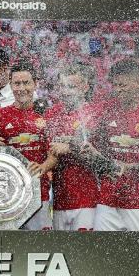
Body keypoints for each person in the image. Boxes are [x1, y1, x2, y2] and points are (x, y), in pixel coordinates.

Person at [87, 58, 139, 231]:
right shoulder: (106, 109)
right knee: (99, 254)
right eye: (115, 85)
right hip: (108, 199)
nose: (118, 90)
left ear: (138, 81)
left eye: (123, 85)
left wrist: (130, 167)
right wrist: (90, 151)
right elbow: (94, 146)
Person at [0, 62, 57, 230]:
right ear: (10, 84)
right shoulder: (0, 115)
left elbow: (54, 154)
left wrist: (43, 167)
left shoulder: (46, 115)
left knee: (40, 250)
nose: (21, 88)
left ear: (35, 84)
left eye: (26, 83)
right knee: (10, 251)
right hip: (7, 198)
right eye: (17, 83)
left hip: (39, 194)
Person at [45, 64, 102, 231]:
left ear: (85, 87)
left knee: (85, 252)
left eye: (71, 86)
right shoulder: (52, 114)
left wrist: (69, 148)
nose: (65, 91)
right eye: (62, 86)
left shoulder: (93, 113)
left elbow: (96, 155)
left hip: (87, 200)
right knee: (62, 251)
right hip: (59, 199)